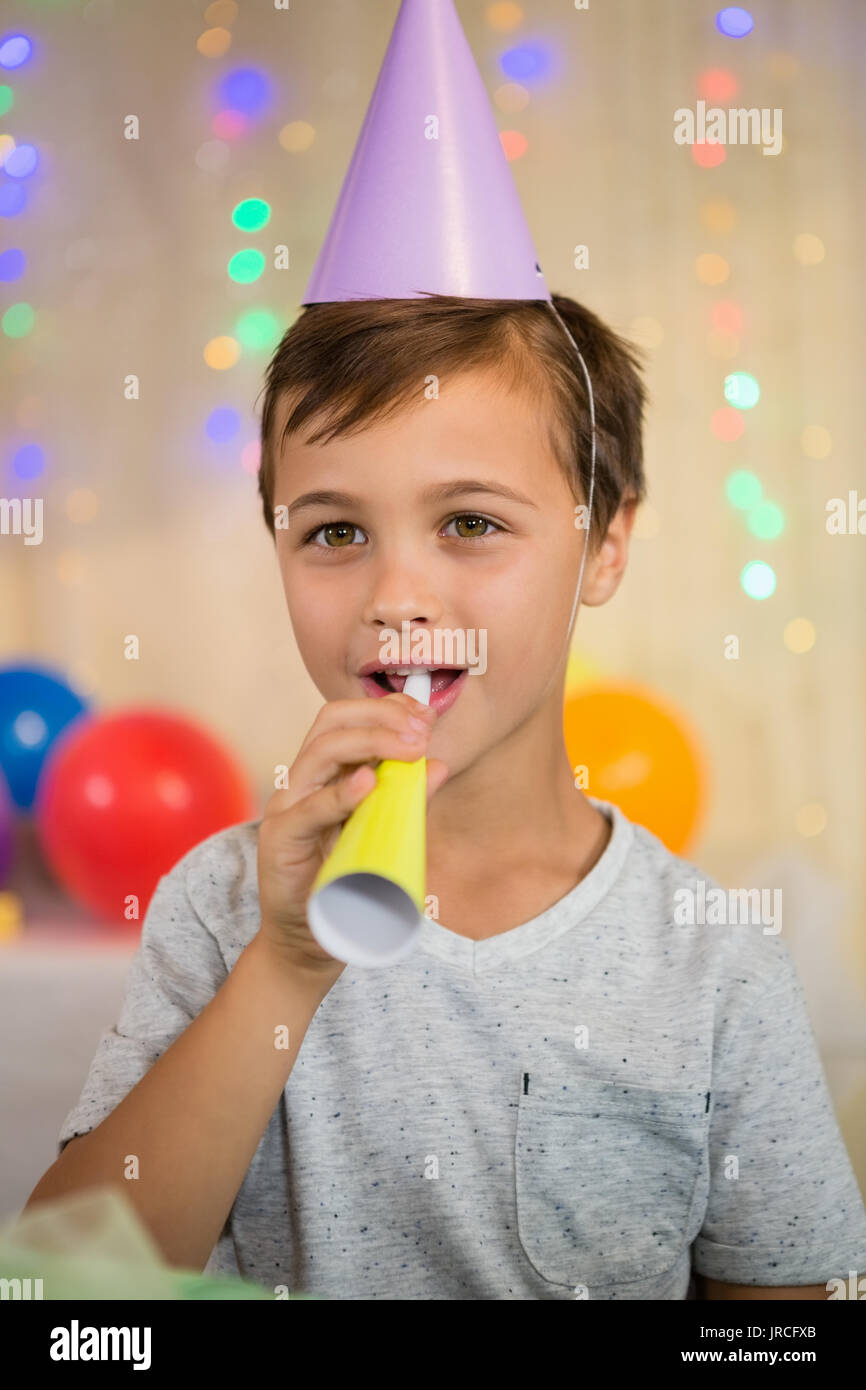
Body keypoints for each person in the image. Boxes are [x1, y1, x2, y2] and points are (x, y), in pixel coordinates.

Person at [23, 289, 866, 1299]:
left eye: (468, 521)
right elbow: (65, 1292)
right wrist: (285, 968)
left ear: (603, 543)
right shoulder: (219, 904)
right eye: (335, 533)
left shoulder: (713, 961)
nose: (396, 598)